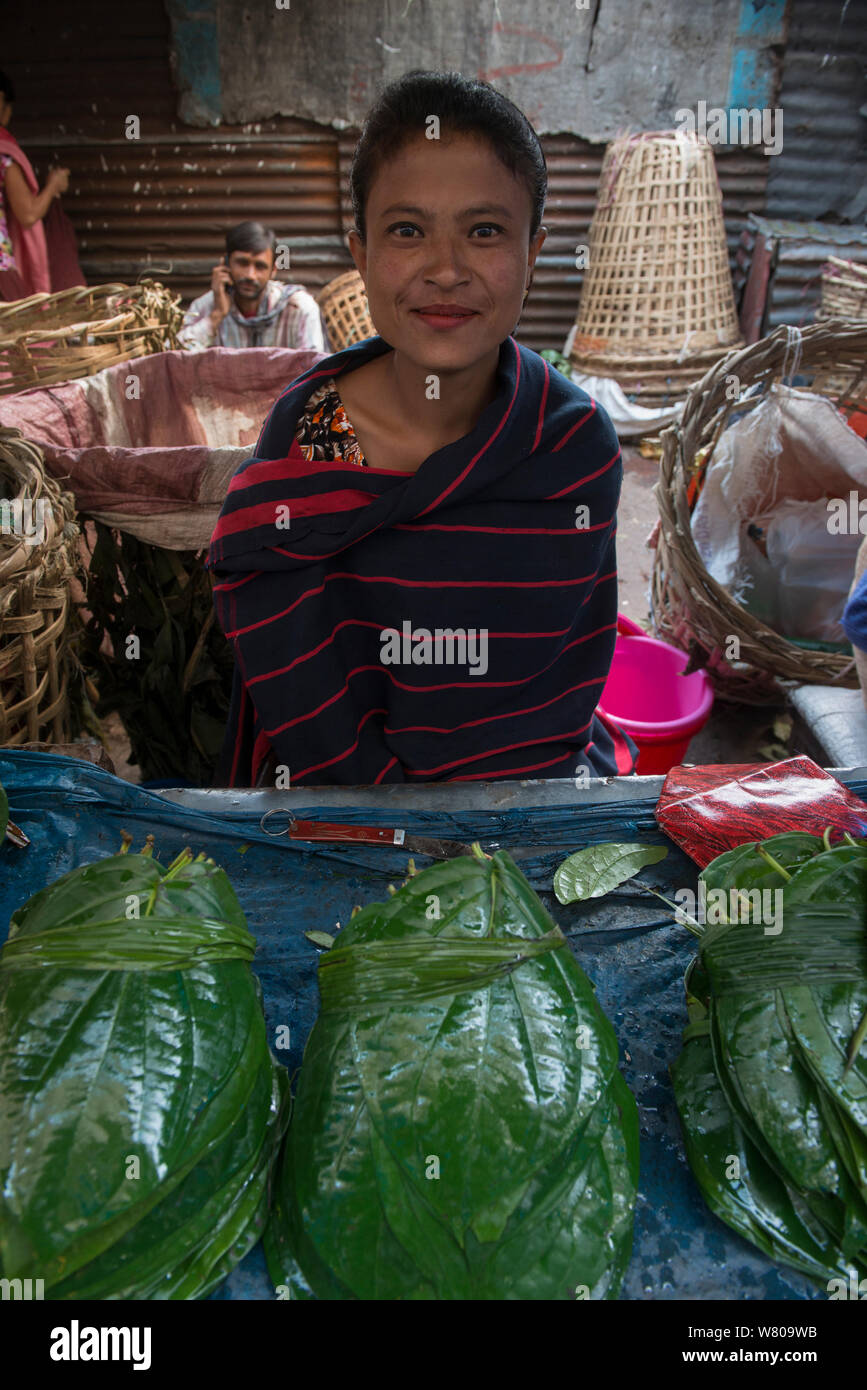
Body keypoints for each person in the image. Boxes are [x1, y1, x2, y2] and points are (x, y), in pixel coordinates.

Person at [206, 70, 638, 787]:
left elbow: (548, 688)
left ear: (533, 250)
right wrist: (380, 808)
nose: (444, 270)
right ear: (361, 251)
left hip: (516, 796)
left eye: (484, 232)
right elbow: (296, 679)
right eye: (407, 230)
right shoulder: (316, 427)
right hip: (338, 793)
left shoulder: (568, 441)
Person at [179, 220, 326, 351]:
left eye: (260, 266)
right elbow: (175, 359)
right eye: (242, 263)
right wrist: (216, 316)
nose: (250, 275)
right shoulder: (206, 308)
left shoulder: (298, 308)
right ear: (225, 263)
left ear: (273, 271)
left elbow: (315, 370)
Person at [0, 69, 73, 300]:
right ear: (7, 112)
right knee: (24, 330)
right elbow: (29, 214)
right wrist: (53, 185)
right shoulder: (4, 157)